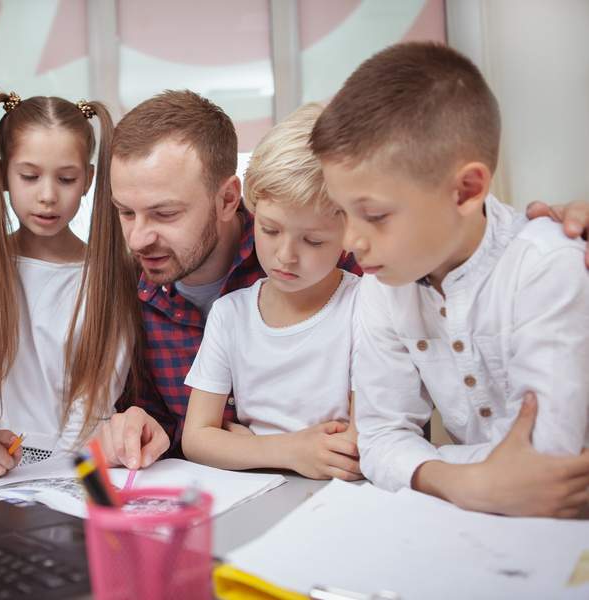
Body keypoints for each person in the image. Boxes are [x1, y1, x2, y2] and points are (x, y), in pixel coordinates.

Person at [97, 89, 589, 473]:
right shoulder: (126, 290)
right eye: (124, 212)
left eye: (164, 213)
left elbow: (379, 434)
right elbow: (169, 426)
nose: (139, 238)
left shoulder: (367, 272)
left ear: (231, 199)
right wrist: (142, 427)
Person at [311, 41, 589, 518]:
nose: (351, 241)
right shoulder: (382, 285)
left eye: (375, 215)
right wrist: (465, 482)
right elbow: (376, 437)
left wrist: (427, 468)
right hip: (480, 518)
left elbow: (547, 463)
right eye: (341, 213)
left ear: (466, 190)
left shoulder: (547, 264)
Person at [0, 94, 136, 479]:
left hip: (77, 468)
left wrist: (57, 470)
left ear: (87, 180)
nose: (48, 195)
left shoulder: (108, 274)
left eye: (66, 179)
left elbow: (96, 397)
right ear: (3, 174)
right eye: (30, 176)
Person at [182, 103, 362, 481]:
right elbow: (196, 439)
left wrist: (243, 447)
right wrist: (289, 451)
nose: (285, 256)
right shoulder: (230, 314)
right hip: (254, 493)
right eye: (270, 230)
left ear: (351, 235)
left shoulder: (365, 307)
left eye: (313, 240)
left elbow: (359, 445)